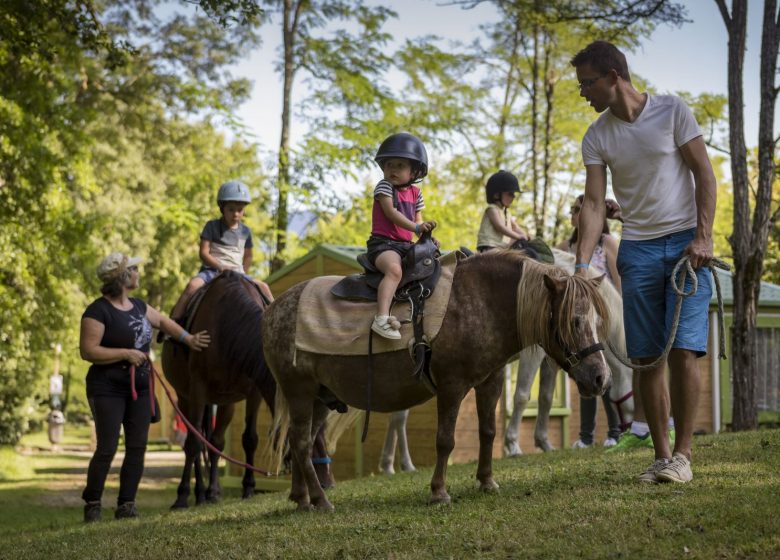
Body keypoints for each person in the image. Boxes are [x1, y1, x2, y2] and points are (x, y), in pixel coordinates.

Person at [571, 41, 716, 483]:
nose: (583, 93)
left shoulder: (672, 111)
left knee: (684, 351)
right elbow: (594, 205)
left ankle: (684, 456)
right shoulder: (597, 135)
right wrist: (580, 268)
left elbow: (704, 173)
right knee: (647, 357)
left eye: (588, 83)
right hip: (638, 250)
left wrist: (703, 236)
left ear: (614, 77)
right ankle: (662, 454)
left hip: (687, 248)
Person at [80, 252, 210, 522]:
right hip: (107, 387)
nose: (139, 273)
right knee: (107, 447)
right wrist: (126, 354)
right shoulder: (97, 311)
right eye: (135, 269)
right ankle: (93, 503)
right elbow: (88, 351)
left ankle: (126, 505)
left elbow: (163, 322)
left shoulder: (139, 306)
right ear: (123, 277)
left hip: (139, 388)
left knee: (137, 446)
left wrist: (189, 338)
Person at [560, 194, 623, 449]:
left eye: (578, 210)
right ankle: (586, 436)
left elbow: (618, 284)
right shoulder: (566, 246)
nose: (574, 214)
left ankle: (615, 432)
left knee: (607, 375)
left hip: (605, 319)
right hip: (580, 322)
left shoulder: (607, 243)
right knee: (584, 374)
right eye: (573, 210)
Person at [169, 180, 273, 321]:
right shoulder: (212, 226)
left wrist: (243, 271)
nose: (235, 214)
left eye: (240, 209)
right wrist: (221, 267)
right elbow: (204, 252)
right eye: (231, 209)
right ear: (222, 208)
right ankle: (174, 321)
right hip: (212, 271)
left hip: (238, 272)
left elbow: (248, 256)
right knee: (192, 286)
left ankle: (274, 318)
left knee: (264, 287)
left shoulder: (246, 231)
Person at [367, 132, 437, 340]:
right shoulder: (384, 186)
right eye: (389, 165)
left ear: (414, 171)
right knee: (395, 270)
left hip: (404, 245)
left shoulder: (416, 193)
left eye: (399, 165)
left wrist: (427, 238)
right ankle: (380, 318)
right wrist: (416, 228)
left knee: (430, 266)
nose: (392, 170)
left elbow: (418, 220)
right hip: (383, 245)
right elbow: (392, 213)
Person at [476, 170, 529, 253]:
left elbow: (515, 227)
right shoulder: (492, 209)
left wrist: (525, 236)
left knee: (525, 248)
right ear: (497, 195)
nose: (514, 197)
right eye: (510, 194)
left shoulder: (507, 214)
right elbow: (500, 227)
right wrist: (518, 236)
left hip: (501, 247)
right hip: (490, 246)